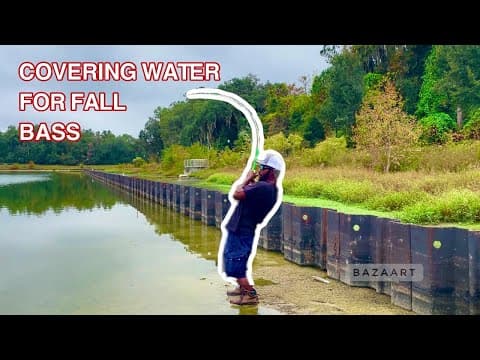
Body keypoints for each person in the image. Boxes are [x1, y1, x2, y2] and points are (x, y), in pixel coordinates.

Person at [222, 151, 284, 305]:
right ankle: (242, 289)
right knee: (238, 261)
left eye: (262, 167)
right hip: (245, 228)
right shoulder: (270, 189)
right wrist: (251, 182)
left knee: (235, 260)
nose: (258, 170)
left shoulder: (262, 187)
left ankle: (250, 294)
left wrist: (247, 178)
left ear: (269, 171)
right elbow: (248, 196)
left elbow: (236, 194)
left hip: (241, 229)